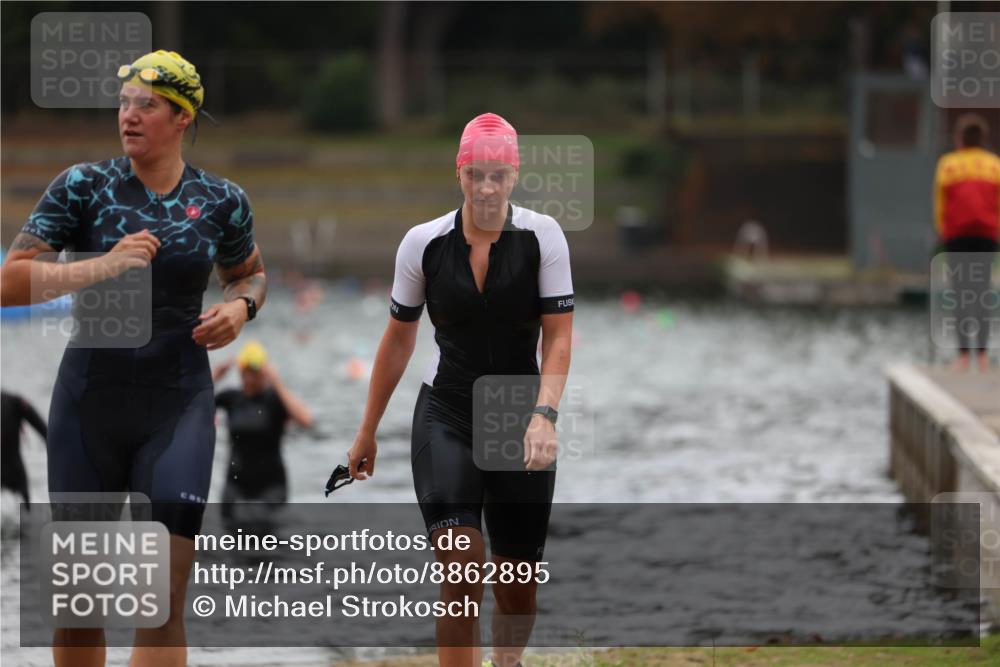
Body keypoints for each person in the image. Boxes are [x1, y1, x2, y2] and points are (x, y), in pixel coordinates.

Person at [0, 50, 266, 667]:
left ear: (181, 117)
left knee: (163, 602)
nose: (129, 115)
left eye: (146, 105)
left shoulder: (222, 199)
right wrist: (101, 265)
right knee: (79, 610)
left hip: (178, 403)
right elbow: (11, 282)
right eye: (124, 103)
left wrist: (241, 308)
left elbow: (249, 274)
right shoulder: (83, 187)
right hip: (89, 402)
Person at [346, 113, 575, 667]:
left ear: (514, 175)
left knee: (516, 582)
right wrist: (367, 431)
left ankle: (508, 661)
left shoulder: (542, 236)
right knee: (461, 563)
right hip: (446, 410)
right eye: (477, 174)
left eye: (498, 175)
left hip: (517, 417)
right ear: (460, 173)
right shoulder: (422, 244)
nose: (487, 187)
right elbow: (397, 342)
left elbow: (559, 338)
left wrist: (545, 415)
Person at [213, 341, 313, 522]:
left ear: (264, 373)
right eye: (245, 374)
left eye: (254, 374)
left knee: (265, 538)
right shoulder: (231, 398)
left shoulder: (275, 399)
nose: (249, 380)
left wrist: (277, 382)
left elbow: (306, 420)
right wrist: (214, 377)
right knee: (228, 537)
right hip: (235, 484)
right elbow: (195, 408)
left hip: (271, 485)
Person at [934, 113, 1000, 371]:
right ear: (983, 139)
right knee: (982, 291)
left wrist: (943, 231)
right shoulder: (994, 165)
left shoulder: (948, 164)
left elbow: (940, 203)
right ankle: (982, 355)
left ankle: (963, 355)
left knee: (961, 292)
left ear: (959, 138)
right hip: (986, 235)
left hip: (957, 236)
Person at [0, 390, 47, 505]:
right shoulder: (15, 402)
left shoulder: (15, 403)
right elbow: (45, 432)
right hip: (15, 470)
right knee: (26, 511)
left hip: (14, 469)